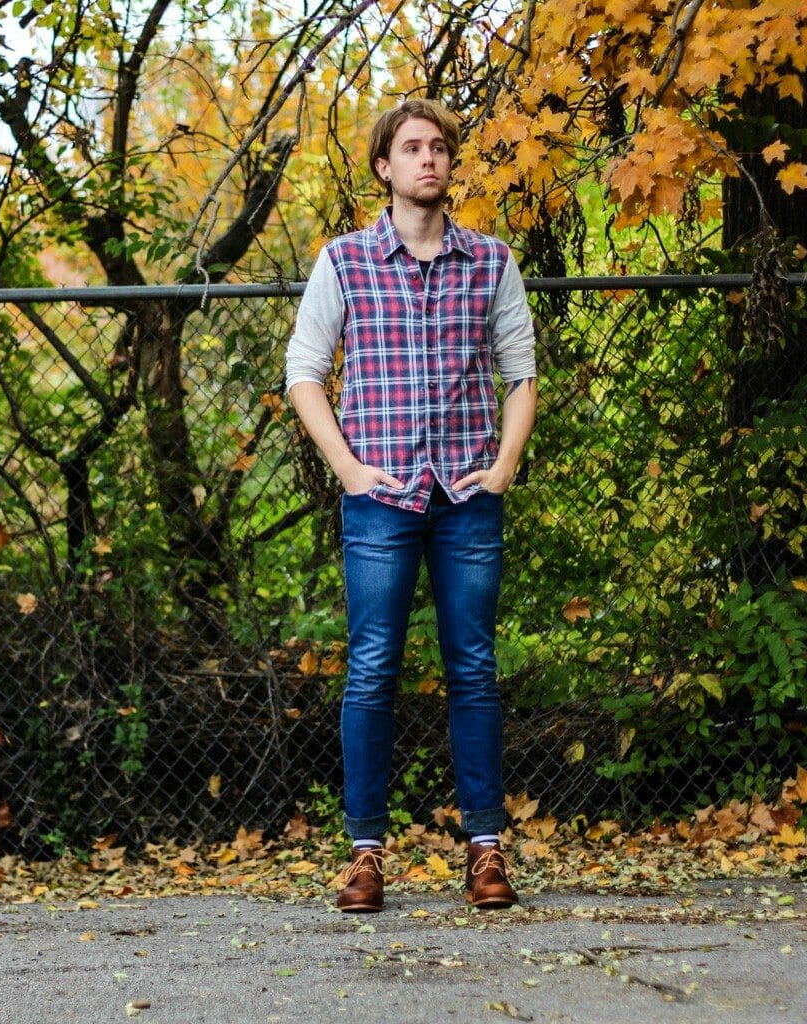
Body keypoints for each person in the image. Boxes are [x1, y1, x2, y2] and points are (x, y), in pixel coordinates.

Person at [285, 98, 537, 912]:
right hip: (381, 498)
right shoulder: (345, 262)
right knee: (370, 672)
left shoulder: (491, 262)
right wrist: (349, 471)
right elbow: (304, 372)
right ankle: (365, 856)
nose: (428, 159)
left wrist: (501, 468)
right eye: (411, 148)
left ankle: (487, 853)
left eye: (438, 148)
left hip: (468, 495)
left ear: (448, 165)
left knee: (473, 670)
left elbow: (520, 375)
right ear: (384, 167)